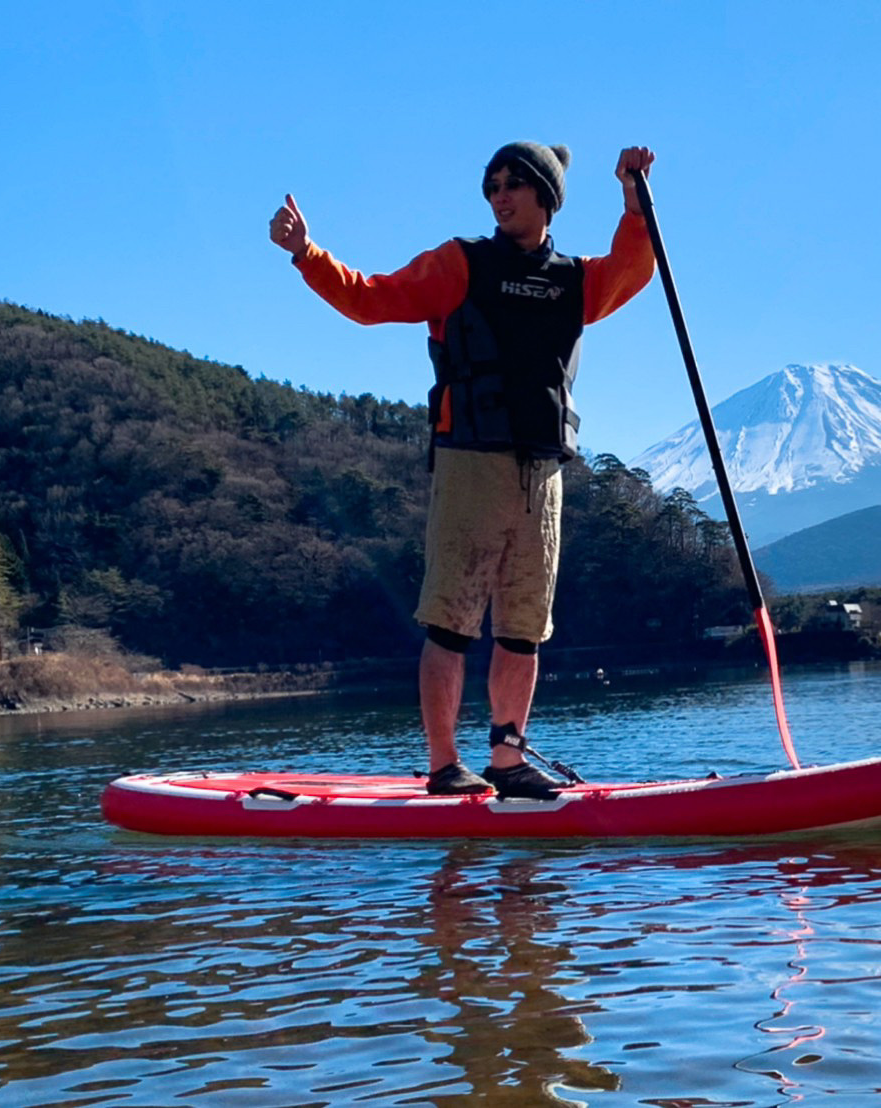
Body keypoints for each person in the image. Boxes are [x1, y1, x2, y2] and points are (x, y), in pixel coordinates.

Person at [269, 142, 656, 799]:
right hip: (470, 460)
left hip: (542, 471)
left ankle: (508, 761)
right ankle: (446, 766)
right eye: (492, 187)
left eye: (513, 185)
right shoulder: (460, 264)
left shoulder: (576, 281)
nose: (500, 197)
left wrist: (633, 196)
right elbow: (371, 299)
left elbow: (634, 267)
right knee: (451, 621)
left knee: (524, 628)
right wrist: (309, 255)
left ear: (546, 196)